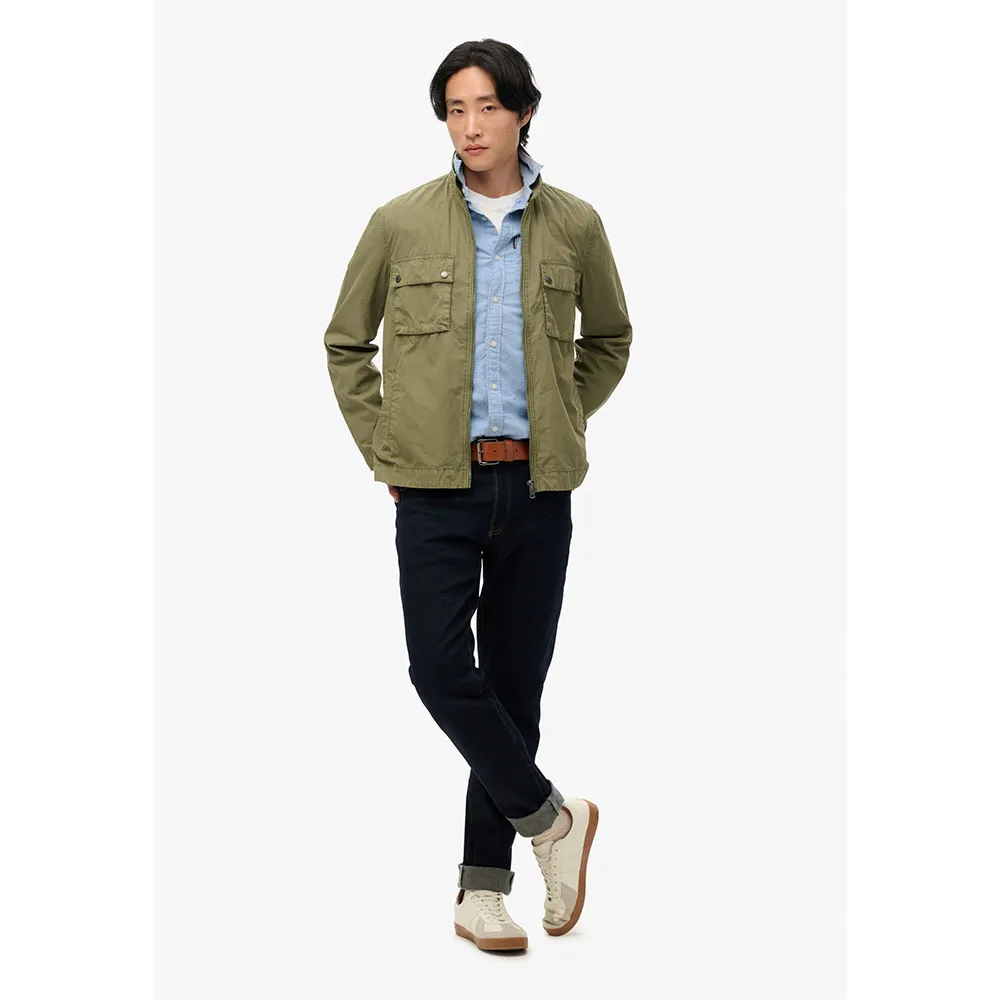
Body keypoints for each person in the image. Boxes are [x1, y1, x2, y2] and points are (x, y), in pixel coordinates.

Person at [323, 38, 632, 952]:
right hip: (433, 489)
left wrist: (563, 418)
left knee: (513, 690)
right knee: (438, 671)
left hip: (537, 487)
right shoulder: (398, 223)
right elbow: (346, 345)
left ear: (523, 112)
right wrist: (387, 447)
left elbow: (609, 339)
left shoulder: (575, 225)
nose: (470, 127)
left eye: (487, 107)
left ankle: (481, 891)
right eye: (455, 110)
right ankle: (554, 821)